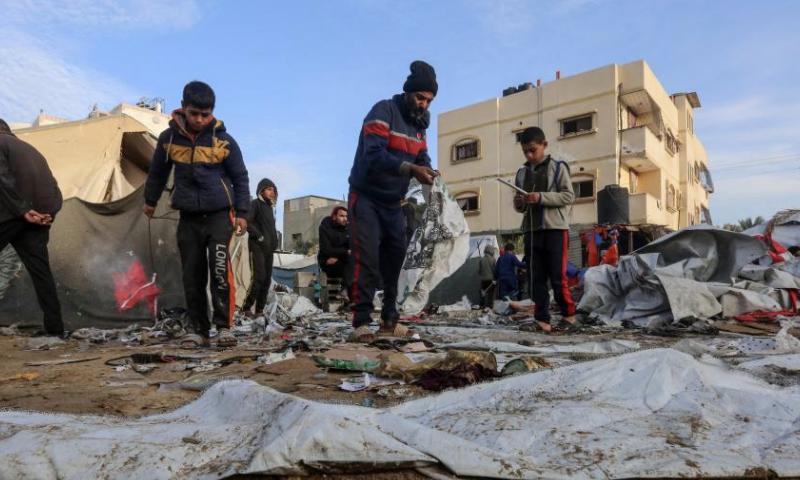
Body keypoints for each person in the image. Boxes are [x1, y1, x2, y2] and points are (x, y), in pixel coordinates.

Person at [143, 81, 249, 348]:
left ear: (212, 111)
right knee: (192, 275)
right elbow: (157, 172)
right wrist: (150, 201)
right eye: (194, 113)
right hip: (188, 216)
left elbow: (240, 177)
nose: (200, 119)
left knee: (220, 271)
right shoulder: (168, 139)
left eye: (206, 114)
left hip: (219, 216)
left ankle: (224, 327)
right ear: (184, 108)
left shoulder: (224, 141)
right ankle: (198, 330)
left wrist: (243, 213)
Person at [348, 61, 439, 342]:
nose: (423, 104)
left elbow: (422, 158)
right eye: (420, 98)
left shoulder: (420, 127)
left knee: (397, 262)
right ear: (408, 92)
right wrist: (411, 170)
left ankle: (390, 320)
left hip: (393, 203)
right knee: (368, 258)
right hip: (366, 197)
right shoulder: (383, 111)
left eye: (429, 100)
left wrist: (431, 173)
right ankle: (362, 322)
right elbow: (373, 155)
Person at [0, 119, 64, 336]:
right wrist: (49, 214)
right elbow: (55, 188)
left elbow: (3, 179)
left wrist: (22, 210)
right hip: (39, 217)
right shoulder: (34, 152)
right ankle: (55, 328)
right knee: (41, 272)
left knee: (40, 270)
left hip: (11, 214)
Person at [513, 126, 576, 331]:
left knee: (558, 277)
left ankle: (569, 317)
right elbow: (519, 208)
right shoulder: (521, 173)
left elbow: (569, 196)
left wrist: (541, 197)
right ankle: (543, 320)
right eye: (525, 152)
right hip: (531, 230)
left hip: (555, 229)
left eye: (533, 150)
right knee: (535, 277)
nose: (529, 155)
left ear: (544, 145)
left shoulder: (558, 168)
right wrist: (520, 202)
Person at [241, 178, 278, 319]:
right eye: (269, 189)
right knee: (258, 277)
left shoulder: (270, 208)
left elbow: (271, 229)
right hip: (257, 247)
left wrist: (274, 243)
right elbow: (248, 222)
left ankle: (259, 310)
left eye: (273, 190)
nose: (272, 192)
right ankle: (246, 308)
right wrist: (260, 237)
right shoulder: (255, 204)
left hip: (269, 249)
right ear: (261, 190)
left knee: (267, 280)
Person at [318, 206, 350, 290]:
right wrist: (346, 252)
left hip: (343, 260)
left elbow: (352, 248)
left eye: (346, 216)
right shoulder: (324, 228)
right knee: (348, 265)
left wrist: (338, 256)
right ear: (334, 216)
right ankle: (345, 291)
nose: (345, 219)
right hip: (328, 263)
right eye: (342, 216)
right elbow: (327, 250)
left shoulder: (348, 229)